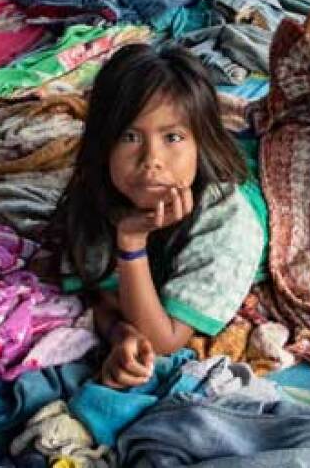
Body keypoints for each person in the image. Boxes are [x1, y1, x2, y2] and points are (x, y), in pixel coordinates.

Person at [49, 44, 265, 387]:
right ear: (104, 145)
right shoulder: (99, 186)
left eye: (173, 137)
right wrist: (120, 334)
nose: (152, 159)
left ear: (199, 144)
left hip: (262, 187)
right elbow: (98, 292)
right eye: (130, 136)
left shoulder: (229, 221)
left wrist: (132, 244)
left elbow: (164, 340)